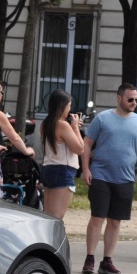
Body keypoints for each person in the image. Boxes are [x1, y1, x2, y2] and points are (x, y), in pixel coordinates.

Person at [81, 83, 137, 274]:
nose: (134, 103)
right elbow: (87, 144)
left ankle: (107, 261)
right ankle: (89, 258)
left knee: (115, 221)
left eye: (136, 99)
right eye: (130, 99)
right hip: (101, 175)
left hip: (125, 178)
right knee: (97, 217)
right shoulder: (103, 118)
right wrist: (85, 169)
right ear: (119, 98)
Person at [39, 89, 87, 220]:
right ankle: (51, 240)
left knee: (48, 214)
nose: (70, 109)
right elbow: (79, 149)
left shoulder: (45, 123)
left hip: (49, 168)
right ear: (63, 106)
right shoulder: (62, 125)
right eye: (69, 105)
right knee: (56, 217)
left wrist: (73, 128)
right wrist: (76, 128)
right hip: (63, 170)